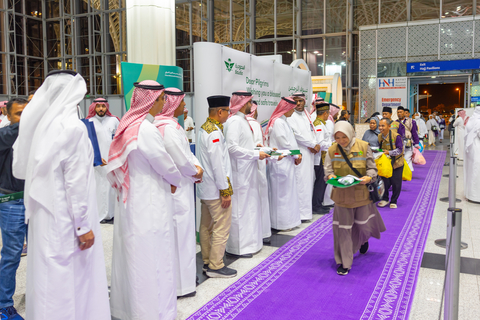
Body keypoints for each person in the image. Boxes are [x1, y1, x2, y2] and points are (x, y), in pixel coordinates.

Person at [12, 70, 111, 319]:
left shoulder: (42, 127)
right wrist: (83, 227)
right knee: (67, 279)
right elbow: (75, 184)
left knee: (48, 275)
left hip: (44, 215)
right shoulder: (73, 128)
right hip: (67, 219)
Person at [107, 80, 183, 320]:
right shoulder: (145, 129)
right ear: (150, 100)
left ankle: (129, 309)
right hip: (149, 200)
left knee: (133, 253)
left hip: (133, 200)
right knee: (151, 256)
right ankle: (151, 312)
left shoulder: (129, 124)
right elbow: (162, 161)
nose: (163, 103)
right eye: (160, 98)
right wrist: (175, 178)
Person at [154, 88, 203, 297]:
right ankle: (181, 285)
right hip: (177, 190)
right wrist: (195, 171)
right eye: (182, 103)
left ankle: (187, 278)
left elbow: (188, 154)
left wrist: (196, 168)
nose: (185, 107)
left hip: (184, 186)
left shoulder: (174, 126)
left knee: (184, 237)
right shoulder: (166, 128)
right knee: (178, 237)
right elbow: (181, 160)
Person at [324, 121, 386, 275]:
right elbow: (328, 171)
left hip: (361, 195)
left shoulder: (364, 146)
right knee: (343, 229)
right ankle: (344, 262)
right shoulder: (332, 150)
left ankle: (363, 240)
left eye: (344, 137)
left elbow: (372, 169)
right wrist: (331, 176)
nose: (341, 140)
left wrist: (368, 177)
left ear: (350, 134)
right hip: (342, 196)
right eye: (337, 137)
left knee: (363, 225)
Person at [224, 91, 269, 258]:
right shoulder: (235, 121)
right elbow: (232, 148)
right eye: (249, 102)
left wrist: (261, 150)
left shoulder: (242, 121)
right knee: (240, 211)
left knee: (249, 209)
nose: (251, 105)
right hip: (239, 173)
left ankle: (250, 244)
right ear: (243, 103)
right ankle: (239, 248)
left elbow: (245, 145)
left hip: (248, 172)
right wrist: (255, 154)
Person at [197, 95, 237, 278]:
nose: (229, 114)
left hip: (205, 188)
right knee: (221, 226)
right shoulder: (213, 132)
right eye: (227, 111)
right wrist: (225, 191)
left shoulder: (204, 128)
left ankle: (207, 261)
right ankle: (216, 265)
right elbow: (217, 165)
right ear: (220, 112)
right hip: (215, 189)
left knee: (206, 226)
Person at [0, 98, 28, 320]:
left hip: (36, 201)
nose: (24, 118)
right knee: (11, 255)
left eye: (27, 113)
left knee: (43, 251)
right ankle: (4, 305)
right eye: (19, 114)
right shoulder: (4, 135)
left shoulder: (36, 137)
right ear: (8, 116)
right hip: (12, 202)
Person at [265, 97, 302, 231]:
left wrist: (297, 154)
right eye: (291, 108)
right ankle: (280, 224)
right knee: (281, 195)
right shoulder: (278, 122)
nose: (293, 111)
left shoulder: (283, 121)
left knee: (287, 193)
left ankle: (288, 222)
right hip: (280, 162)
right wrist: (296, 154)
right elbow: (284, 142)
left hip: (287, 161)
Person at [85, 97, 119, 222]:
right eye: (98, 106)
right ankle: (99, 215)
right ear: (94, 107)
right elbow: (85, 143)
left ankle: (112, 214)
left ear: (107, 107)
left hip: (112, 161)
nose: (100, 109)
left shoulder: (114, 120)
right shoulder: (89, 122)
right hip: (96, 164)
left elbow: (119, 139)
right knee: (98, 189)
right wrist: (96, 158)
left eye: (103, 106)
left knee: (112, 189)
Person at [287, 92, 319, 221]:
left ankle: (306, 213)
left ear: (305, 101)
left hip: (309, 153)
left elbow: (313, 131)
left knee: (308, 182)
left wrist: (316, 144)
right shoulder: (290, 116)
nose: (298, 103)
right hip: (300, 153)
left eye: (300, 101)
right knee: (301, 183)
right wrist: (312, 144)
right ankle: (300, 214)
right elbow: (297, 134)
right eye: (296, 101)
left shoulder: (307, 115)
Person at [246, 101, 272, 242]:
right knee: (260, 200)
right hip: (257, 164)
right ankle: (263, 233)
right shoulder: (253, 124)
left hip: (252, 165)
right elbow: (257, 146)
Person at [377, 118, 404, 209]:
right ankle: (385, 199)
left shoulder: (396, 136)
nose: (380, 127)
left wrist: (389, 152)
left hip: (396, 163)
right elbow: (379, 147)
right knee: (384, 182)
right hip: (385, 163)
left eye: (383, 125)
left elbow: (400, 150)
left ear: (389, 126)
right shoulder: (380, 136)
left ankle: (394, 200)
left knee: (396, 183)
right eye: (379, 125)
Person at [312, 101, 334, 214]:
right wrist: (332, 145)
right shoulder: (319, 125)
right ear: (325, 113)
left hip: (323, 157)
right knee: (320, 182)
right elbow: (319, 142)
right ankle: (316, 205)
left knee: (322, 182)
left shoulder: (321, 123)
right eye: (328, 113)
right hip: (320, 158)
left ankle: (319, 203)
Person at [464, 106, 480, 202]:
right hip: (477, 148)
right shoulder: (478, 121)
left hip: (471, 149)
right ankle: (476, 196)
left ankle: (471, 194)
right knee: (477, 171)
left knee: (471, 170)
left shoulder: (471, 120)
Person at [397, 106, 420, 172]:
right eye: (398, 112)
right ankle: (403, 173)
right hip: (399, 143)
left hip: (408, 142)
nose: (399, 113)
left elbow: (414, 133)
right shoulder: (395, 122)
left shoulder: (411, 122)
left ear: (404, 113)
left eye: (401, 112)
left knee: (407, 158)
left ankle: (409, 172)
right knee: (400, 159)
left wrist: (416, 143)